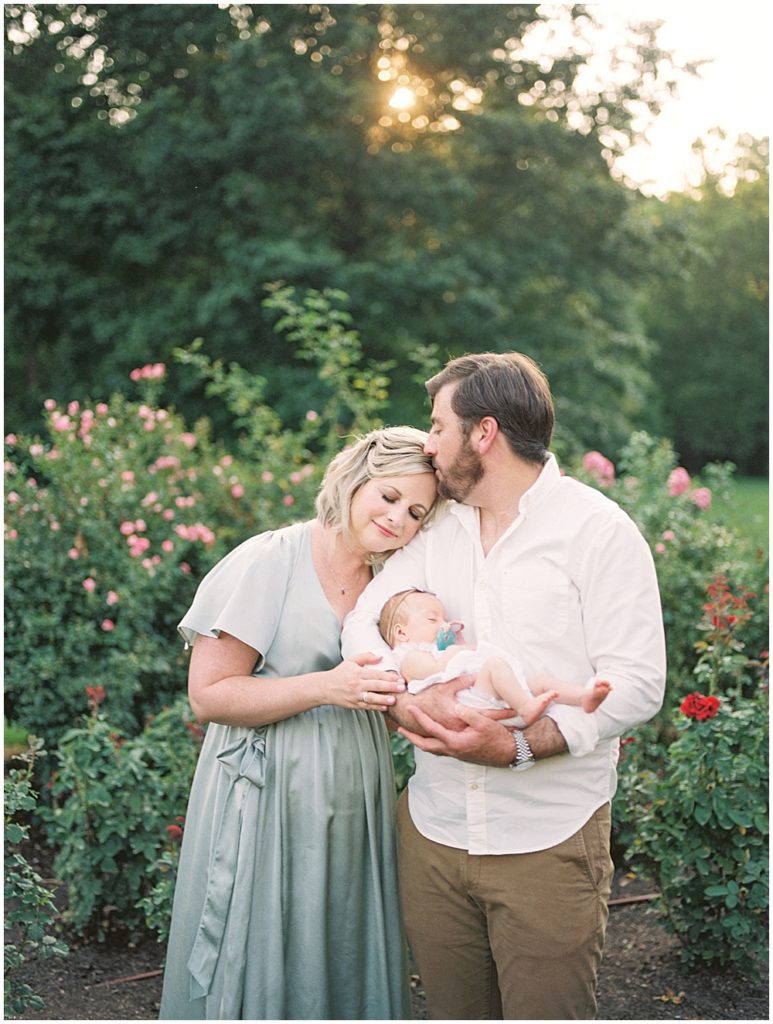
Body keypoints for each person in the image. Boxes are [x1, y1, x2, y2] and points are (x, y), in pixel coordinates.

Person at [342, 352, 667, 1020]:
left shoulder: (596, 532)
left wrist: (519, 745)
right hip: (433, 833)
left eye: (437, 427)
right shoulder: (437, 530)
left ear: (482, 433)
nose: (427, 445)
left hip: (546, 840)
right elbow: (363, 620)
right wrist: (404, 698)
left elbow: (636, 684)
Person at [158, 426, 439, 1021]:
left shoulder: (387, 590)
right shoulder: (269, 560)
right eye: (388, 497)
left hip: (355, 794)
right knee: (261, 944)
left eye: (415, 512)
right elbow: (208, 696)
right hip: (265, 799)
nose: (397, 519)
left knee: (340, 937)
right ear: (354, 479)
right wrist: (328, 686)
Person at [379, 587, 612, 724]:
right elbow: (437, 670)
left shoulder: (434, 649)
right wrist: (455, 650)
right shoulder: (409, 656)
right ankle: (526, 707)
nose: (444, 625)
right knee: (495, 664)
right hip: (469, 699)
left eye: (445, 619)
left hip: (480, 688)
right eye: (433, 619)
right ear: (402, 632)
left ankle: (583, 696)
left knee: (540, 682)